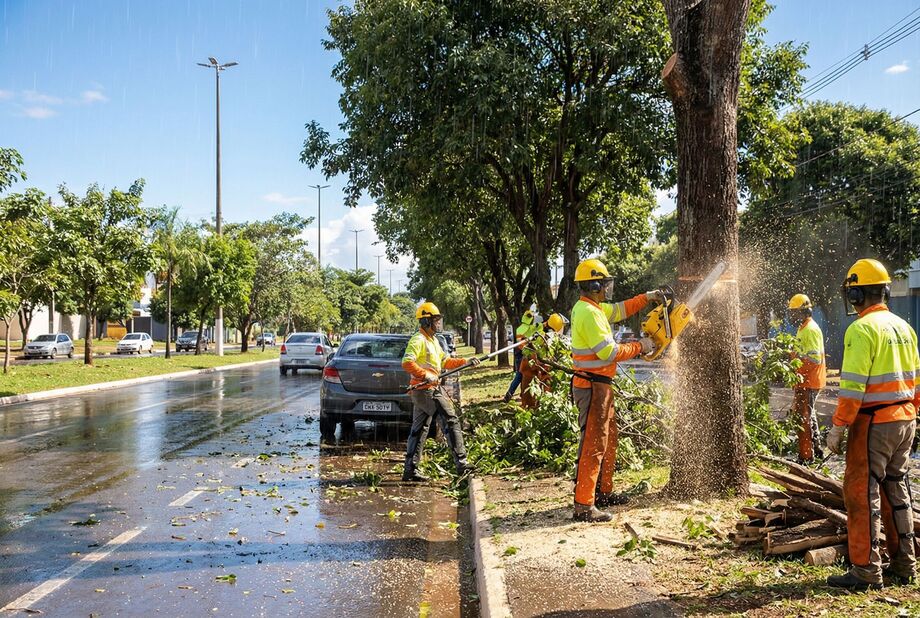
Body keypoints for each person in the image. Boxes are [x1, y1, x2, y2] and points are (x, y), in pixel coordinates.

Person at [825, 259, 920, 590]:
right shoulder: (904, 328)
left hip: (874, 423)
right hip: (905, 418)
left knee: (861, 495)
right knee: (897, 490)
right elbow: (916, 380)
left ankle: (866, 570)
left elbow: (852, 388)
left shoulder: (861, 329)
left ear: (857, 295)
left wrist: (838, 426)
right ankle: (905, 564)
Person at [569, 258, 665, 522]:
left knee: (608, 439)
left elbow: (621, 309)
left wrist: (647, 297)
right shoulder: (589, 313)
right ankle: (584, 505)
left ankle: (603, 492)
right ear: (595, 285)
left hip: (600, 386)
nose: (607, 289)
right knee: (593, 444)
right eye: (604, 284)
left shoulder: (594, 308)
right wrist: (641, 346)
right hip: (592, 386)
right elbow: (609, 353)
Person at [402, 301, 479, 482]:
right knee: (450, 420)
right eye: (436, 320)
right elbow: (406, 362)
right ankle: (461, 463)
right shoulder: (418, 340)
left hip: (426, 390)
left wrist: (466, 362)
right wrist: (425, 374)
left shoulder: (434, 341)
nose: (438, 323)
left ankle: (410, 470)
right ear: (426, 321)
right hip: (425, 390)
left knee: (419, 430)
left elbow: (446, 361)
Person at [787, 294, 827, 463]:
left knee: (804, 417)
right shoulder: (803, 328)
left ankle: (806, 456)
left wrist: (796, 369)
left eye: (793, 313)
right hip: (806, 379)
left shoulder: (809, 329)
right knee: (809, 415)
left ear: (802, 312)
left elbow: (814, 359)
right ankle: (817, 450)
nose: (791, 317)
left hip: (809, 380)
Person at [518, 313, 568, 409]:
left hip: (533, 369)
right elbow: (522, 344)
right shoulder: (546, 337)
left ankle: (533, 409)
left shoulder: (540, 332)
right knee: (533, 399)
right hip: (534, 369)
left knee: (531, 398)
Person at [503, 306, 541, 403]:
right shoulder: (528, 328)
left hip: (519, 354)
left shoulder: (521, 328)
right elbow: (521, 345)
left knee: (521, 376)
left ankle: (516, 394)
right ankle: (510, 394)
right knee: (521, 375)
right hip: (523, 355)